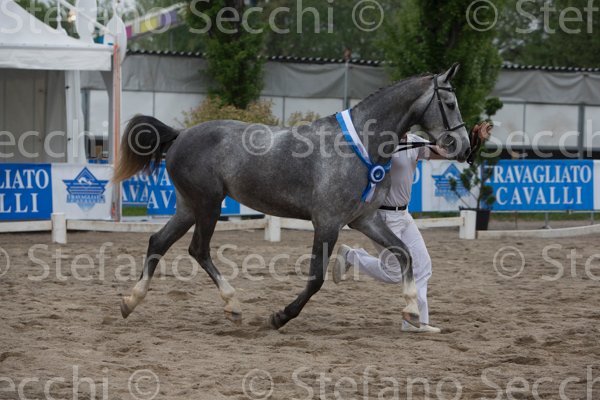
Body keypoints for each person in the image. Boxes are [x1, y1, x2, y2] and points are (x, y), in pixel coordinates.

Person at [332, 122, 493, 333]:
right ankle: (352, 256)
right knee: (393, 273)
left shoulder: (415, 142)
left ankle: (416, 321)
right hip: (382, 217)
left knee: (423, 265)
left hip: (404, 215)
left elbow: (450, 154)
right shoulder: (381, 144)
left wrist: (475, 140)